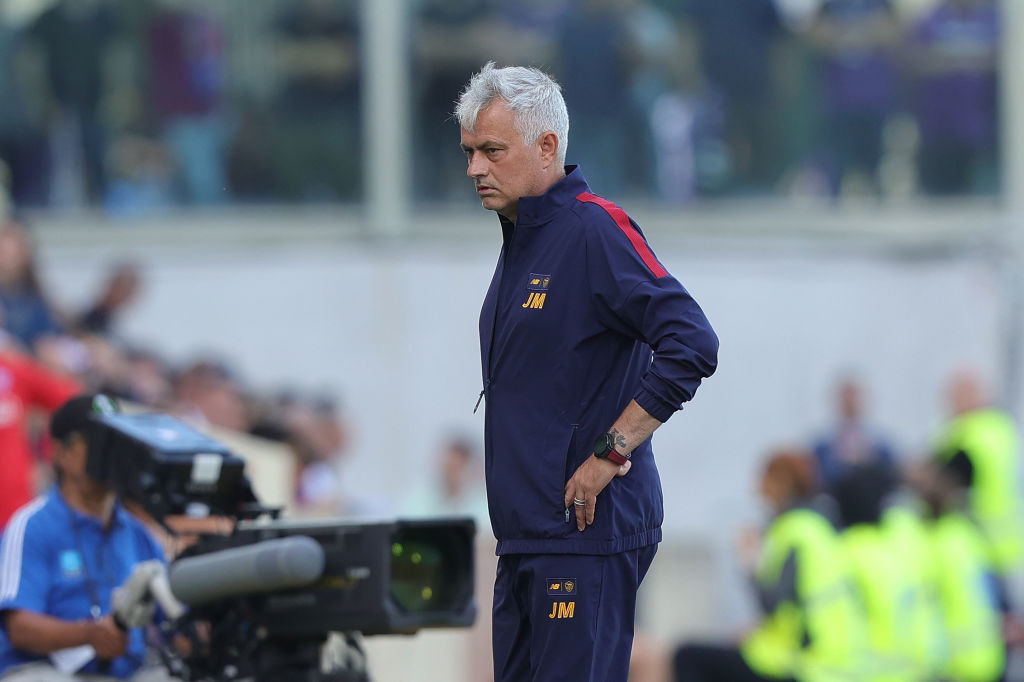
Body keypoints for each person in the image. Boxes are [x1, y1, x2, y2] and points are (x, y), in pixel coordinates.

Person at [455, 62, 719, 681]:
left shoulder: (594, 228)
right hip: (523, 540)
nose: (474, 169)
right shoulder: (524, 238)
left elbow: (693, 342)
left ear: (547, 147)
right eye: (469, 152)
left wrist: (612, 450)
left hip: (582, 536)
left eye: (492, 151)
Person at [0, 394, 169, 681]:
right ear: (61, 452)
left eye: (119, 441)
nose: (112, 454)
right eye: (100, 442)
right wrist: (88, 635)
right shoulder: (32, 525)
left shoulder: (139, 534)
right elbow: (20, 627)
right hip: (47, 669)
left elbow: (174, 618)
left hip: (129, 672)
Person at [672, 451, 864, 682]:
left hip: (803, 666)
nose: (758, 490)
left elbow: (773, 605)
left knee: (685, 656)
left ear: (782, 483)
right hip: (835, 662)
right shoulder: (819, 528)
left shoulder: (792, 531)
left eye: (764, 480)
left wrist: (750, 565)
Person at [811, 375, 896, 491]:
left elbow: (890, 474)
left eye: (853, 397)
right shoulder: (822, 447)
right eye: (845, 398)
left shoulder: (880, 446)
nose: (850, 402)